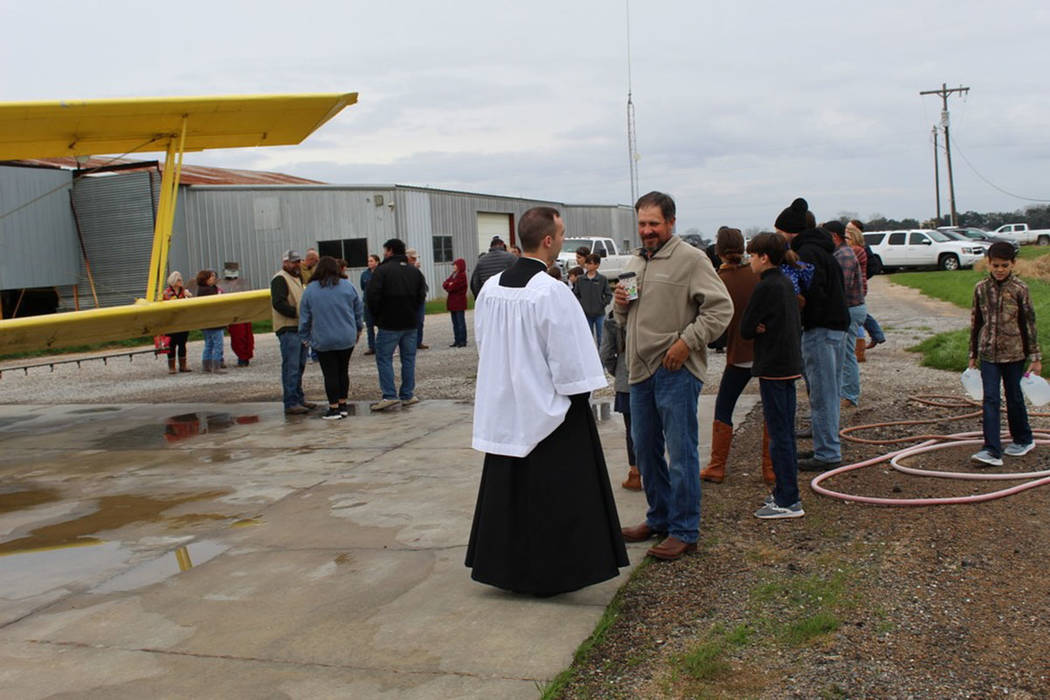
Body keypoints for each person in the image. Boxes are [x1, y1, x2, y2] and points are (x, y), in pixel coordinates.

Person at [466, 206, 628, 595]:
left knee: (510, 491)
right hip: (548, 408)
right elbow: (571, 358)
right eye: (562, 232)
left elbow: (485, 343)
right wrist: (575, 393)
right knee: (554, 493)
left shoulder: (491, 289)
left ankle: (504, 569)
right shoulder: (551, 291)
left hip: (506, 404)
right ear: (549, 240)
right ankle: (556, 571)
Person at [614, 191, 733, 561]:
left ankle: (685, 530)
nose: (647, 231)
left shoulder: (692, 260)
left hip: (675, 371)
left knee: (681, 454)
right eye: (643, 224)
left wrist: (686, 343)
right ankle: (660, 517)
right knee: (646, 452)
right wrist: (619, 307)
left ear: (671, 222)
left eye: (654, 223)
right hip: (639, 372)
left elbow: (720, 309)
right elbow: (626, 317)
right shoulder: (635, 261)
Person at [775, 199, 849, 472]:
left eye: (780, 231)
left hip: (819, 329)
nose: (778, 236)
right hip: (836, 327)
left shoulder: (805, 255)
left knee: (822, 393)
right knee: (828, 390)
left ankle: (828, 453)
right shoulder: (823, 250)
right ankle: (825, 445)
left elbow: (807, 295)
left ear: (790, 232)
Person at [699, 227, 774, 486]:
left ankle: (717, 466)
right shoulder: (756, 276)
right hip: (765, 351)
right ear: (743, 248)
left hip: (738, 353)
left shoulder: (718, 280)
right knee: (771, 409)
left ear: (717, 250)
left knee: (724, 407)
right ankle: (770, 468)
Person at [740, 233, 805, 518]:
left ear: (764, 257)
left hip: (774, 367)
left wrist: (757, 327)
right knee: (785, 433)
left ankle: (788, 500)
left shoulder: (766, 287)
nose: (749, 261)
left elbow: (745, 327)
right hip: (789, 365)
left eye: (752, 255)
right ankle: (784, 493)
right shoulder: (786, 283)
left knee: (779, 436)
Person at [968, 242, 1041, 466]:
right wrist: (972, 354)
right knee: (990, 399)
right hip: (988, 354)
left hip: (1014, 354)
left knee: (1014, 398)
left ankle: (1023, 438)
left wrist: (1036, 357)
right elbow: (976, 323)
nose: (999, 270)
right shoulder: (981, 289)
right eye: (995, 265)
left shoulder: (1020, 289)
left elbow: (1029, 324)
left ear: (1013, 264)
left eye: (1004, 265)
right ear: (988, 264)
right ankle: (991, 450)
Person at [299, 256, 364, 420]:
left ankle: (333, 408)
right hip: (346, 337)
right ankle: (343, 405)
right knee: (343, 371)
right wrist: (358, 330)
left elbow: (305, 317)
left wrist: (305, 337)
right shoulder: (347, 285)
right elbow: (358, 310)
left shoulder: (311, 289)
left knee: (330, 374)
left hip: (323, 338)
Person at [367, 238, 427, 411]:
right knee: (408, 359)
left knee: (384, 358)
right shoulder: (414, 272)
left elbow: (372, 296)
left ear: (390, 251)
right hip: (410, 323)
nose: (384, 253)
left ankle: (389, 395)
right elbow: (421, 296)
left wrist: (377, 317)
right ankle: (407, 394)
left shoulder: (382, 271)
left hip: (388, 323)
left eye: (385, 250)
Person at [825, 220, 865, 409]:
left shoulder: (844, 256)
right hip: (850, 308)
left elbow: (842, 287)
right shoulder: (840, 253)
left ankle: (850, 395)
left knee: (846, 354)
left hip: (850, 308)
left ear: (834, 236)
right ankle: (846, 391)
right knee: (843, 353)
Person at [271, 249, 316, 415]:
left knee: (300, 365)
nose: (298, 264)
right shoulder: (280, 279)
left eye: (299, 261)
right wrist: (299, 313)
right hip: (288, 329)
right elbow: (278, 303)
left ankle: (298, 398)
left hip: (299, 328)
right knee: (291, 366)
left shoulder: (297, 278)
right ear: (285, 263)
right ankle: (291, 402)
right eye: (294, 262)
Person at [599, 308, 639, 490]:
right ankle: (657, 471)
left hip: (627, 380)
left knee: (632, 430)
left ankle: (635, 473)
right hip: (654, 374)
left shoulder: (613, 317)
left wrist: (618, 371)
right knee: (655, 429)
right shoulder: (650, 306)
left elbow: (606, 352)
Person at [847, 220, 886, 350]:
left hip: (857, 287)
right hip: (859, 286)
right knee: (860, 313)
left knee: (858, 313)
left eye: (849, 228)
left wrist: (862, 277)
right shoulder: (857, 248)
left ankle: (874, 336)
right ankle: (876, 335)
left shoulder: (860, 249)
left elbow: (873, 266)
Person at [573, 253, 612, 347]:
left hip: (599, 314)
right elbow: (576, 294)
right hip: (586, 314)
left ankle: (601, 358)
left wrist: (601, 304)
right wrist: (582, 305)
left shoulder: (602, 279)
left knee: (601, 338)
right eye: (586, 263)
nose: (587, 266)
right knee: (588, 338)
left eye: (590, 263)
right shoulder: (581, 279)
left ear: (597, 265)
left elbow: (609, 295)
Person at [221, 264, 254, 367]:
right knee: (237, 337)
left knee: (247, 336)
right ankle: (242, 357)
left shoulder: (243, 283)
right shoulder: (222, 284)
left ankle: (246, 355)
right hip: (232, 314)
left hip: (244, 312)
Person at [194, 269, 226, 374]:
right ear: (205, 279)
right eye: (211, 276)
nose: (213, 278)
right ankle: (216, 366)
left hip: (206, 323)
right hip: (214, 322)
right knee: (218, 344)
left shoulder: (201, 290)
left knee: (209, 344)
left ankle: (206, 366)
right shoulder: (210, 291)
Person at [162, 271, 192, 374]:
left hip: (183, 322)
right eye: (179, 280)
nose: (181, 281)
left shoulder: (185, 292)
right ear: (173, 281)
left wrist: (189, 297)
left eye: (181, 279)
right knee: (171, 345)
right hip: (170, 323)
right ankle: (172, 367)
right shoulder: (166, 293)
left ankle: (183, 366)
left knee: (182, 344)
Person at [406, 248, 429, 349]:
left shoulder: (416, 270)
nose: (414, 260)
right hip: (411, 301)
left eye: (415, 259)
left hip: (420, 299)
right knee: (411, 323)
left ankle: (418, 342)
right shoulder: (406, 269)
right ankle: (411, 343)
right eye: (412, 258)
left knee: (420, 322)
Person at [442, 258, 469, 347]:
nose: (454, 266)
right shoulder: (453, 274)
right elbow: (445, 284)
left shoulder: (462, 275)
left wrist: (450, 285)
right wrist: (449, 284)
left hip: (459, 302)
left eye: (455, 265)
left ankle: (462, 340)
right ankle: (457, 340)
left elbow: (454, 287)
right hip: (452, 302)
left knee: (460, 322)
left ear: (460, 266)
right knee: (455, 323)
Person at [360, 254, 380, 355]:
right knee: (369, 326)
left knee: (381, 325)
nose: (369, 263)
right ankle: (372, 347)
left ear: (377, 262)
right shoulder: (364, 274)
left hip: (379, 303)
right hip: (368, 303)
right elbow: (363, 287)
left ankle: (381, 345)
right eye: (368, 261)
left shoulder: (381, 273)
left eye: (371, 261)